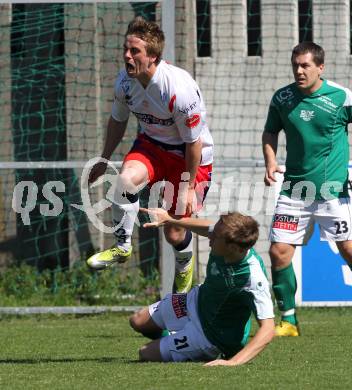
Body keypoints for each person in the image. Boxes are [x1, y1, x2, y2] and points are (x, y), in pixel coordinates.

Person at [86, 16, 213, 293]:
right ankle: (121, 248)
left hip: (187, 155)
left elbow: (193, 142)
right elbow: (117, 121)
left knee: (174, 231)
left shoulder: (179, 89)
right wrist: (104, 159)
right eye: (125, 49)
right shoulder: (124, 82)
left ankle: (184, 272)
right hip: (152, 146)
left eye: (135, 51)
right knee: (125, 181)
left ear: (153, 56)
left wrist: (189, 187)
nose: (126, 56)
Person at [262, 41, 352, 336]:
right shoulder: (282, 98)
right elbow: (270, 131)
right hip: (294, 191)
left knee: (348, 249)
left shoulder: (341, 98)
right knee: (279, 252)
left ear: (320, 68)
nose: (299, 71)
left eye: (305, 66)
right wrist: (271, 161)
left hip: (332, 191)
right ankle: (288, 320)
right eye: (296, 66)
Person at [129, 207, 275, 364]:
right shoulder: (225, 235)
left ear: (232, 248)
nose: (210, 237)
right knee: (137, 321)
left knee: (145, 353)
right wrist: (169, 219)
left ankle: (202, 349)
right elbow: (207, 227)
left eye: (215, 236)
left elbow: (268, 329)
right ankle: (176, 339)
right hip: (196, 301)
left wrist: (232, 363)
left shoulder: (252, 277)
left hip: (211, 336)